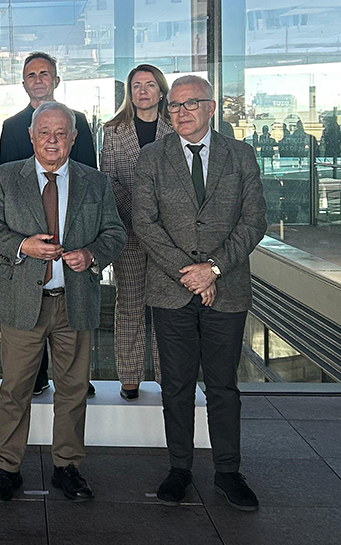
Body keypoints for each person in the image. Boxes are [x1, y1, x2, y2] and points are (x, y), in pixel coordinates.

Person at [0, 102, 125, 503]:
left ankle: (67, 467)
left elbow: (115, 232)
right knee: (15, 390)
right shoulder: (5, 177)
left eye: (61, 133)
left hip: (74, 300)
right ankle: (7, 469)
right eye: (45, 132)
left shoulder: (95, 182)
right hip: (24, 301)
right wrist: (22, 244)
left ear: (74, 138)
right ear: (31, 136)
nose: (53, 140)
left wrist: (92, 255)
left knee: (73, 389)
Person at [133, 75, 266, 511]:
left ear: (212, 108)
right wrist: (187, 273)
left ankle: (228, 472)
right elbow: (145, 223)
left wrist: (212, 270)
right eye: (175, 106)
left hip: (226, 288)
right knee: (175, 386)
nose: (181, 112)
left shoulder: (241, 155)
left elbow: (253, 221)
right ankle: (180, 469)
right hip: (170, 290)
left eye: (191, 104)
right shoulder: (152, 158)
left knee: (223, 385)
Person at [0, 52, 97, 396]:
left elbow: (88, 178)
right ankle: (36, 376)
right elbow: (9, 184)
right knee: (18, 381)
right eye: (31, 74)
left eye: (45, 73)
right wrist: (23, 240)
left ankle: (75, 381)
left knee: (72, 384)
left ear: (56, 79)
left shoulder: (79, 120)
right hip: (29, 235)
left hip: (72, 234)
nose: (38, 79)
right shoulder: (12, 126)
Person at [100, 64, 173, 400]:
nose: (143, 92)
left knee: (166, 306)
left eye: (149, 85)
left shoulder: (176, 127)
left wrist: (159, 220)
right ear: (129, 93)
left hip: (171, 236)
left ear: (161, 90)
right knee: (129, 303)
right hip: (128, 231)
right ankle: (129, 378)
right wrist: (140, 216)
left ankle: (166, 376)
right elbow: (109, 180)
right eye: (136, 86)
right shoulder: (113, 130)